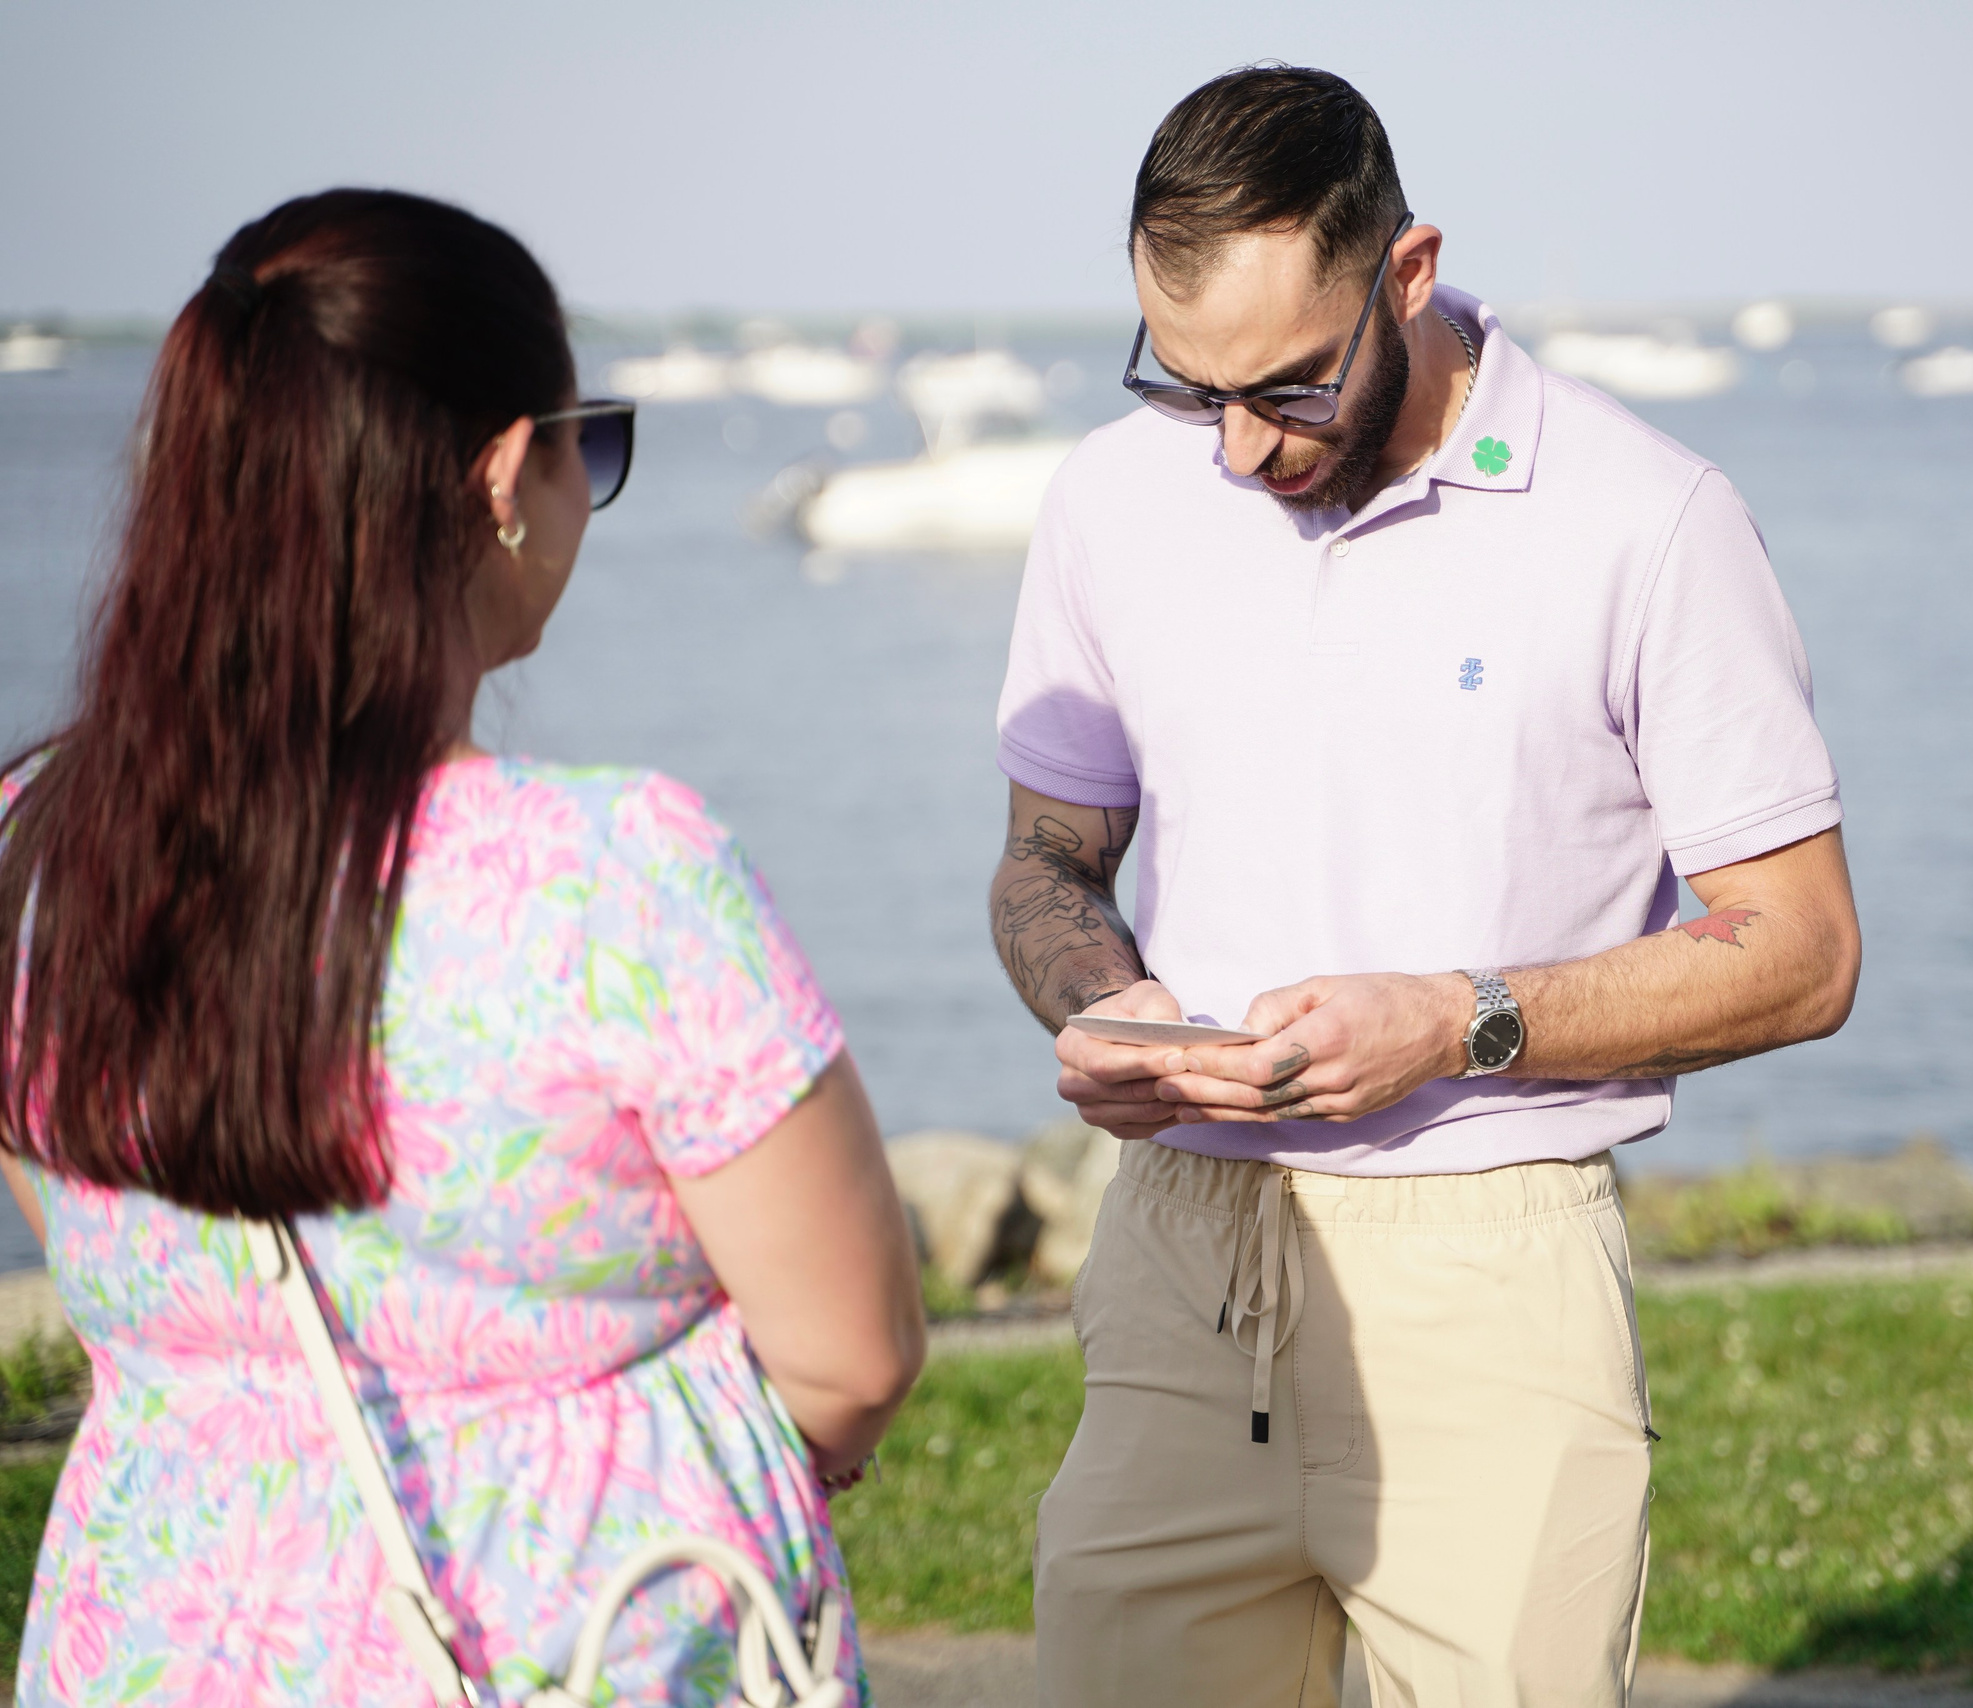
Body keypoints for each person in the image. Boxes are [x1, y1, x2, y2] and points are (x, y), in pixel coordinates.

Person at [991, 67, 1861, 1707]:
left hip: (1494, 1272)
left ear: (1408, 269)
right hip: (1181, 1264)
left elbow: (1804, 952)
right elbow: (1049, 857)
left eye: (1290, 388)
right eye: (1190, 388)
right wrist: (1109, 1011)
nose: (1242, 448)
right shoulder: (1111, 497)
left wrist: (1458, 1022)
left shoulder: (1650, 518)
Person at [0, 189, 924, 1705]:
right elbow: (853, 1356)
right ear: (505, 470)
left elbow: (105, 1240)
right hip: (557, 1645)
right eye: (589, 444)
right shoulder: (613, 879)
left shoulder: (31, 850)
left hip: (148, 1637)